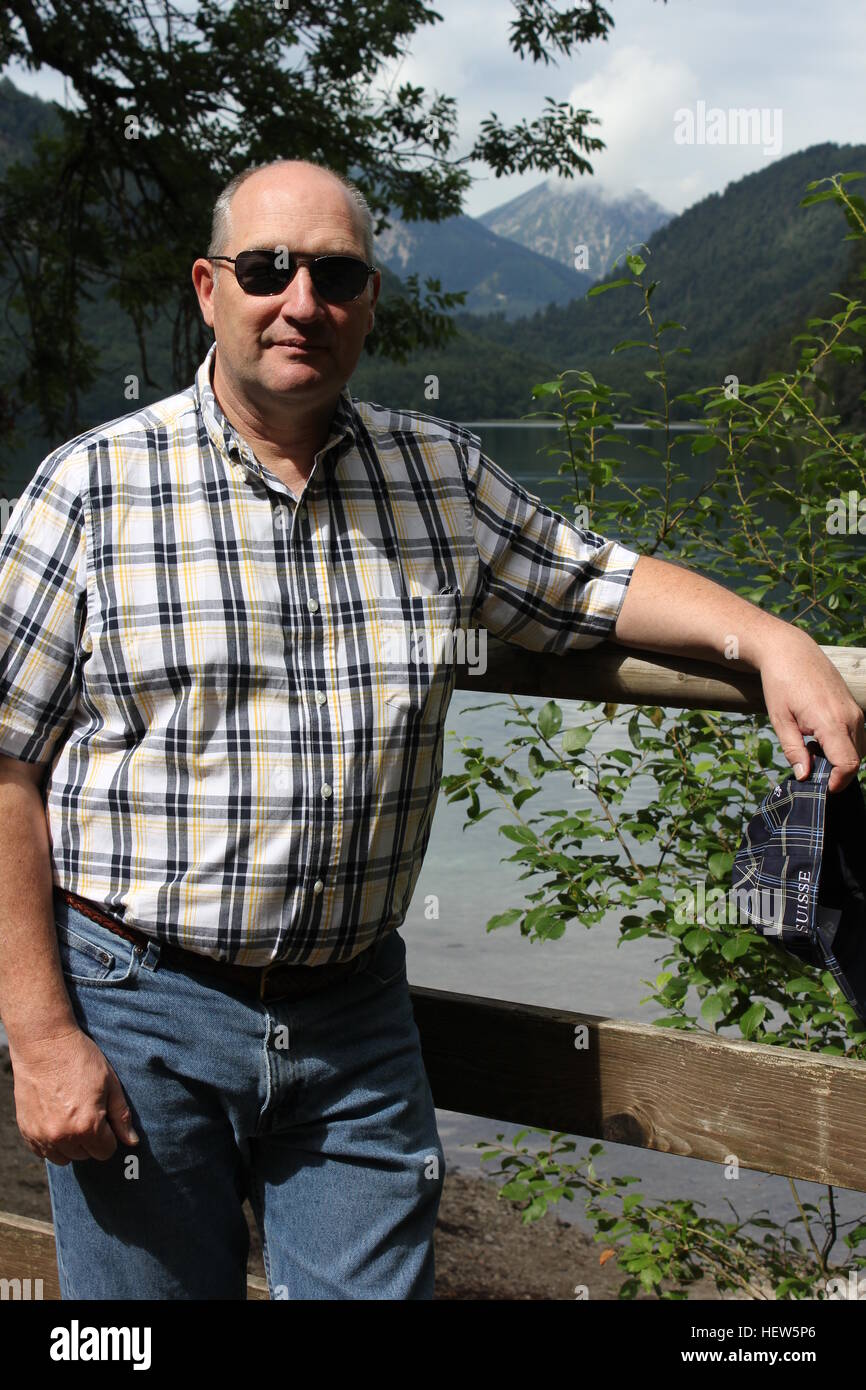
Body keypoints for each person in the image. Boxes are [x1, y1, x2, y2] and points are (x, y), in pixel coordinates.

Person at [0, 159, 862, 1301]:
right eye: (268, 269)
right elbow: (8, 766)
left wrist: (770, 639)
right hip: (140, 1001)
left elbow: (593, 582)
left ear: (367, 304)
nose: (301, 300)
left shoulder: (436, 476)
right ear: (208, 289)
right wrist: (43, 1036)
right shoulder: (89, 489)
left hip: (353, 1015)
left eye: (337, 275)